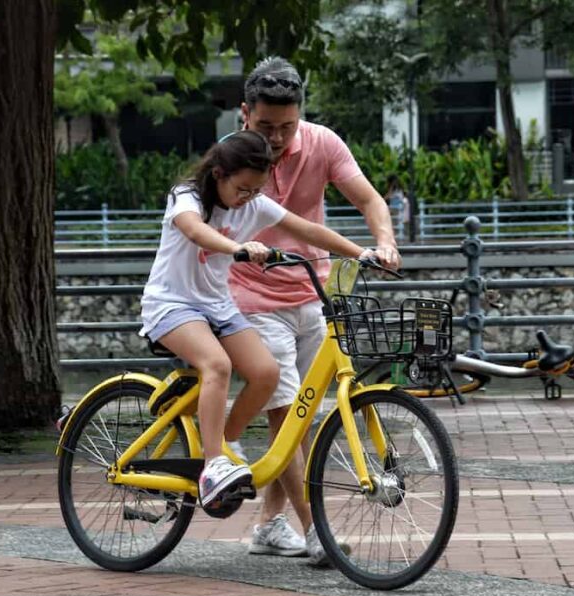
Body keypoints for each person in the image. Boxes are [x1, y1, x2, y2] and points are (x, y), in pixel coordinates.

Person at [139, 130, 373, 515]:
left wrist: (363, 252)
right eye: (242, 189)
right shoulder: (187, 196)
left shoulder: (255, 205)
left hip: (217, 306)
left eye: (256, 190)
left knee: (267, 373)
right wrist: (238, 248)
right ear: (218, 174)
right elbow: (195, 230)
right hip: (172, 305)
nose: (248, 198)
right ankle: (213, 467)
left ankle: (223, 443)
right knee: (217, 365)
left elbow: (309, 230)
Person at [228, 57, 401, 565]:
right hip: (252, 298)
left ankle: (266, 525)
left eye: (287, 126)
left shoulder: (323, 143)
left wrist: (384, 242)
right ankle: (315, 529)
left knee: (300, 421)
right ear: (245, 114)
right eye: (266, 127)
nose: (278, 138)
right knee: (286, 412)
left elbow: (369, 199)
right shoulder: (232, 155)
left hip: (313, 294)